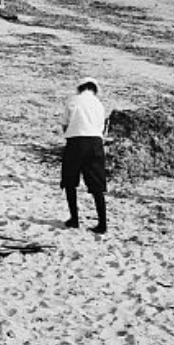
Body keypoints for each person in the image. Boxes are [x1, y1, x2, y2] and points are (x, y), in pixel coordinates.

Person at [61, 79, 109, 234]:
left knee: (70, 181)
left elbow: (65, 124)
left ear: (80, 88)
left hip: (75, 142)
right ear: (94, 89)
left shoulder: (73, 101)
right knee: (97, 185)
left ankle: (74, 219)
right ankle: (102, 224)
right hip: (95, 144)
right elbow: (101, 128)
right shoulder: (99, 104)